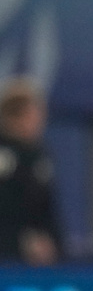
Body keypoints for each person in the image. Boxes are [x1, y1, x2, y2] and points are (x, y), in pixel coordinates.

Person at [0, 77, 62, 265]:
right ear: (16, 117)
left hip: (37, 263)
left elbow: (47, 211)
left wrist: (53, 244)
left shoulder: (39, 157)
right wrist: (19, 243)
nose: (40, 121)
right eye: (34, 114)